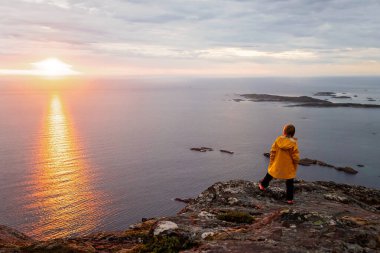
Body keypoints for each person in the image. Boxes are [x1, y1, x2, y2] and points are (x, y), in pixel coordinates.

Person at [259, 124, 300, 204]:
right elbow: (295, 157)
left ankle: (262, 186)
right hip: (288, 166)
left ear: (284, 131)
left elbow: (273, 152)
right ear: (293, 133)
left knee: (270, 174)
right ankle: (289, 199)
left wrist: (272, 161)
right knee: (290, 183)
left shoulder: (278, 140)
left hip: (277, 163)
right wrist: (295, 164)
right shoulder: (293, 143)